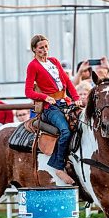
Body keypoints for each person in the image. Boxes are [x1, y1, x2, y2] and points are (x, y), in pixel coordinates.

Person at [25, 34, 81, 185]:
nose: (45, 50)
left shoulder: (54, 61)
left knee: (81, 124)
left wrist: (76, 98)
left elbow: (67, 81)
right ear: (34, 50)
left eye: (46, 47)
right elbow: (28, 91)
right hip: (50, 107)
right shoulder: (33, 66)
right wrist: (44, 97)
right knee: (65, 130)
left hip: (64, 101)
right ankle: (58, 166)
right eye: (41, 47)